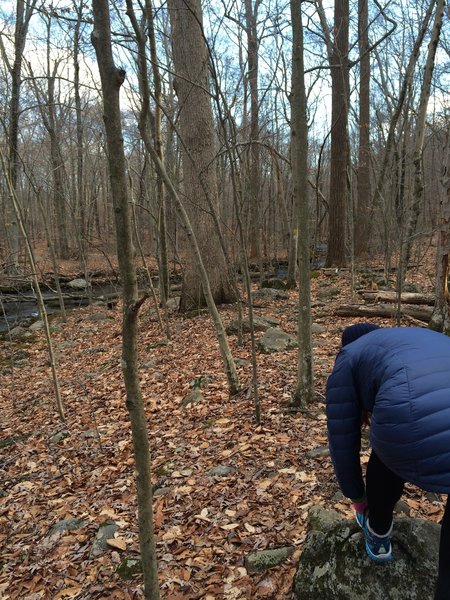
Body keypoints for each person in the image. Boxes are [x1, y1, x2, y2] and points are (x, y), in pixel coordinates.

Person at [326, 324, 450, 600]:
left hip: (412, 409)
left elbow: (342, 440)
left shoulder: (348, 355)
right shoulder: (419, 336)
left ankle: (379, 530)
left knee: (386, 453)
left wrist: (358, 497)